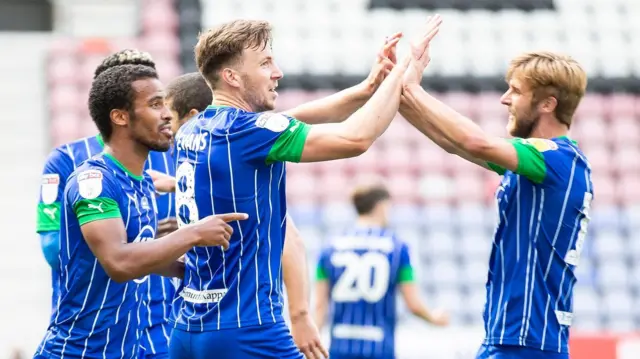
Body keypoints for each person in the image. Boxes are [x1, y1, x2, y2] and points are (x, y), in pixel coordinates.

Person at [168, 17, 441, 359]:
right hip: (247, 329)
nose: (277, 71)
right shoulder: (248, 133)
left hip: (188, 327)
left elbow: (291, 119)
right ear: (232, 77)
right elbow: (355, 138)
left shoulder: (194, 129)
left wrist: (367, 88)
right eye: (265, 63)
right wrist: (405, 69)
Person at [399, 15, 591, 359]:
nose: (505, 99)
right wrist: (401, 89)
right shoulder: (536, 163)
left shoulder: (555, 159)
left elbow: (475, 141)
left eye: (516, 91)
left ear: (548, 104)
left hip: (527, 340)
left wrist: (412, 89)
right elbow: (452, 143)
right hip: (512, 337)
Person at [33, 64, 247, 359]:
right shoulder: (92, 182)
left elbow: (143, 256)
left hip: (127, 350)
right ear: (120, 117)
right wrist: (193, 234)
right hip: (79, 351)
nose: (167, 115)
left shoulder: (142, 181)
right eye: (155, 104)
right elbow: (119, 263)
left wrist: (193, 272)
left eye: (166, 105)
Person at [156, 72, 333, 355]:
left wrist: (299, 316)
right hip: (227, 323)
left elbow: (291, 242)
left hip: (206, 324)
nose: (166, 127)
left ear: (192, 117)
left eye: (171, 118)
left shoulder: (226, 151)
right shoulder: (217, 154)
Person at [35, 49, 181, 359]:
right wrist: (135, 247)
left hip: (158, 325)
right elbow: (55, 248)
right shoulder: (70, 162)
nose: (164, 111)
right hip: (92, 331)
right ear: (116, 108)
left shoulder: (168, 155)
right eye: (153, 102)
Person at [314, 180, 449, 359]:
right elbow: (413, 304)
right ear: (381, 206)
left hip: (340, 346)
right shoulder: (398, 248)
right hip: (378, 347)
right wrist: (434, 318)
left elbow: (319, 306)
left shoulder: (329, 248)